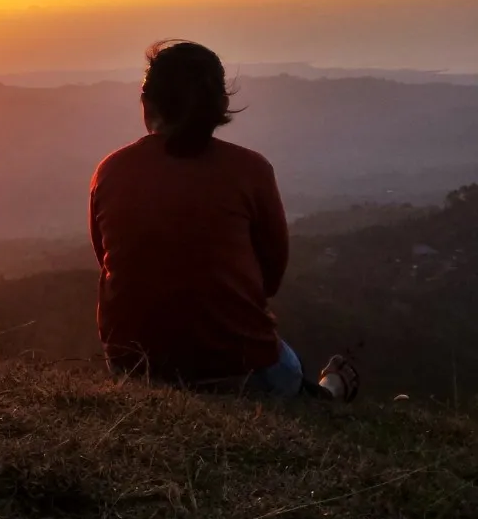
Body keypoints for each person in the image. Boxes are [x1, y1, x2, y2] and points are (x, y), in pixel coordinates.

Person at [88, 41, 357, 400]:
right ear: (222, 106)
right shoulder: (251, 171)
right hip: (240, 367)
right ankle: (331, 391)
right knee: (289, 373)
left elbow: (107, 262)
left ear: (146, 103)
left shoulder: (111, 171)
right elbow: (270, 279)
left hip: (134, 368)